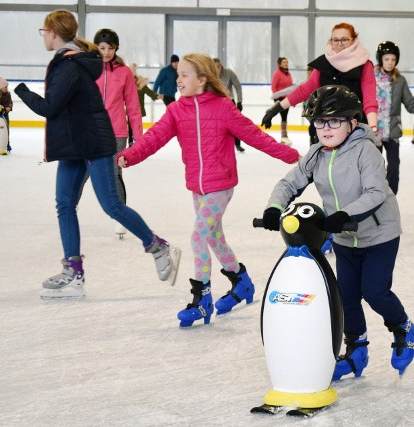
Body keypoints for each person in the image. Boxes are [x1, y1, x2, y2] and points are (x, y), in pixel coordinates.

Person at [116, 53, 300, 327]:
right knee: (213, 238)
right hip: (197, 187)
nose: (178, 80)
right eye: (178, 75)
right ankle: (241, 282)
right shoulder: (177, 111)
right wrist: (130, 155)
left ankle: (202, 299)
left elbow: (254, 135)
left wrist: (287, 153)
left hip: (220, 186)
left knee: (198, 238)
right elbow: (154, 137)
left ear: (202, 79)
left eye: (185, 75)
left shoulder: (223, 108)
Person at [12, 9, 180, 299]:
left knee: (111, 205)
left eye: (44, 31)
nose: (43, 36)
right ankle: (73, 272)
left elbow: (49, 107)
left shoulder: (69, 65)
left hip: (93, 143)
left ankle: (158, 246)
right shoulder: (70, 61)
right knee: (64, 204)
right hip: (74, 145)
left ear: (53, 32)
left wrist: (18, 89)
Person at [260, 85, 414, 380]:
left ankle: (403, 328)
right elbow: (288, 184)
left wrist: (344, 215)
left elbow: (375, 193)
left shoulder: (366, 151)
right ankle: (357, 350)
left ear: (352, 123)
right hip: (346, 238)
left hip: (379, 234)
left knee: (374, 292)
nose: (325, 128)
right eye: (319, 121)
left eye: (334, 121)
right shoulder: (316, 154)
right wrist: (274, 208)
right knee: (346, 295)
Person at [261, 22, 378, 142]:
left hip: (355, 130)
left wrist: (373, 128)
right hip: (327, 130)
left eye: (344, 40)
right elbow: (304, 90)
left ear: (353, 40)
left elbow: (370, 100)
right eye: (335, 40)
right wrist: (277, 108)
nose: (339, 44)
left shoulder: (364, 65)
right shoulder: (323, 64)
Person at [90, 28, 143, 237]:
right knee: (81, 172)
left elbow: (133, 106)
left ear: (116, 49)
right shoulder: (88, 69)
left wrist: (138, 137)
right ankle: (70, 211)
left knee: (114, 173)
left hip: (116, 132)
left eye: (110, 48)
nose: (106, 52)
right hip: (91, 130)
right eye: (102, 48)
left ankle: (121, 217)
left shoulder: (124, 72)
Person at [374, 41, 414, 194]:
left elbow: (411, 104)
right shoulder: (370, 78)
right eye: (387, 59)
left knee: (393, 167)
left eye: (393, 60)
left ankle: (390, 197)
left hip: (392, 132)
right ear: (380, 59)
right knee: (373, 168)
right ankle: (373, 197)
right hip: (373, 132)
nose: (390, 63)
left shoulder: (400, 80)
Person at [213, 58, 245, 152]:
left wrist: (239, 101)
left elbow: (238, 86)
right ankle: (218, 145)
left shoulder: (229, 73)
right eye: (214, 67)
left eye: (218, 67)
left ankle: (238, 144)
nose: (216, 69)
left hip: (229, 101)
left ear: (221, 65)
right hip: (216, 103)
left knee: (235, 123)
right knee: (216, 124)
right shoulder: (210, 75)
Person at [271, 57, 294, 145]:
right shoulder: (277, 73)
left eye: (287, 62)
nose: (286, 63)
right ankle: (284, 137)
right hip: (279, 99)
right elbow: (273, 87)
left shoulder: (288, 74)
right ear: (280, 64)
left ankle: (284, 137)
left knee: (285, 117)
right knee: (284, 117)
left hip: (287, 99)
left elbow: (290, 87)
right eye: (284, 62)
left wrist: (292, 98)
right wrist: (276, 98)